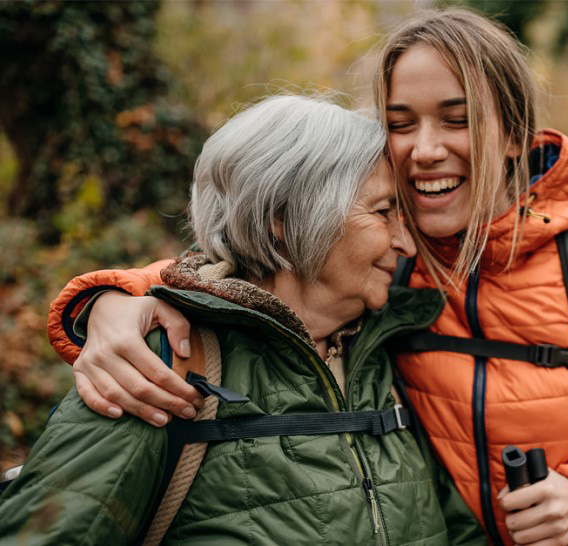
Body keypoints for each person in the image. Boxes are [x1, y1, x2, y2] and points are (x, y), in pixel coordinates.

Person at [44, 8, 568, 545]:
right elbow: (245, 266)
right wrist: (113, 298)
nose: (426, 150)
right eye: (401, 124)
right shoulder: (386, 263)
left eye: (457, 121)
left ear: (516, 133)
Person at [1, 94, 485, 544]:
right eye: (383, 212)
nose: (405, 242)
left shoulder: (388, 360)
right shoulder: (161, 367)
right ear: (285, 220)